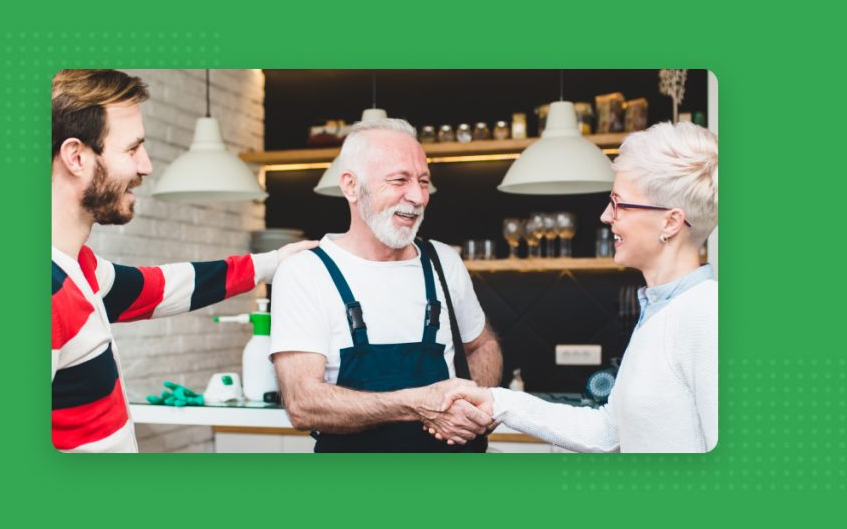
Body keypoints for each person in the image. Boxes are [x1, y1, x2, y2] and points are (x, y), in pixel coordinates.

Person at [51, 69, 315, 452]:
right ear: (76, 157)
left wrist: (271, 263)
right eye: (131, 149)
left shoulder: (82, 271)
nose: (146, 166)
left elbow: (160, 288)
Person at [437, 121, 718, 453]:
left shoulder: (706, 313)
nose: (604, 215)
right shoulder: (659, 311)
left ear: (670, 222)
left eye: (619, 203)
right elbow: (608, 432)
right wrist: (498, 402)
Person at [269, 118, 503, 452]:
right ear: (351, 186)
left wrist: (477, 405)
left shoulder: (442, 261)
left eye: (424, 181)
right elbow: (303, 404)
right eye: (399, 180)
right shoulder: (305, 272)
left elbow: (482, 345)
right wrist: (416, 404)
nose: (418, 197)